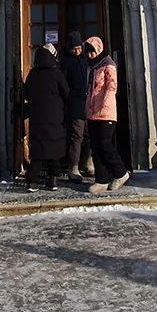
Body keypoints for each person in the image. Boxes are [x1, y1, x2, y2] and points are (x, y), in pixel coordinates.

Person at [22, 35, 70, 190]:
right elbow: (66, 92)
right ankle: (52, 181)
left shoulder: (33, 74)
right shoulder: (56, 73)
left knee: (38, 150)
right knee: (54, 150)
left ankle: (33, 181)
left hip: (37, 117)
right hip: (55, 117)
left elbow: (26, 94)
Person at [84, 36, 130, 193]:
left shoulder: (108, 65)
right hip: (92, 112)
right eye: (88, 53)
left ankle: (121, 173)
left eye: (91, 52)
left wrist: (104, 106)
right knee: (96, 146)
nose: (89, 55)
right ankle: (101, 179)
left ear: (98, 49)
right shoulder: (92, 67)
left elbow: (111, 87)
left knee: (105, 144)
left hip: (105, 113)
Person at [63, 31, 93, 182]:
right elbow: (63, 83)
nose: (77, 51)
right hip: (75, 104)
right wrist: (70, 96)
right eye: (74, 49)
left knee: (89, 134)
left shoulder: (86, 60)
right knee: (76, 135)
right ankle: (73, 166)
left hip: (89, 103)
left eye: (79, 48)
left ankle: (88, 161)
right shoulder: (66, 62)